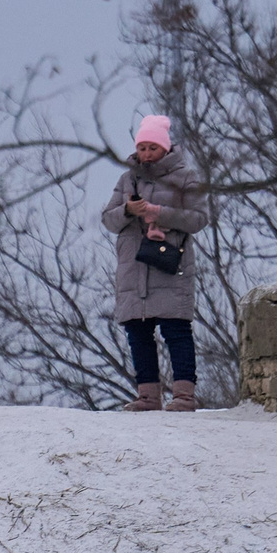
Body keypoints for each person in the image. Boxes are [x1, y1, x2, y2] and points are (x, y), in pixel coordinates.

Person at [101, 114, 211, 413]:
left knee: (176, 330)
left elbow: (199, 219)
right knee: (137, 332)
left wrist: (159, 213)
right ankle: (148, 397)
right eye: (142, 148)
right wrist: (128, 210)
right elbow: (108, 220)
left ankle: (184, 396)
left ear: (165, 148)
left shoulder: (185, 177)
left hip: (170, 265)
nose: (147, 154)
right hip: (133, 268)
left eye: (153, 148)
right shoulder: (127, 179)